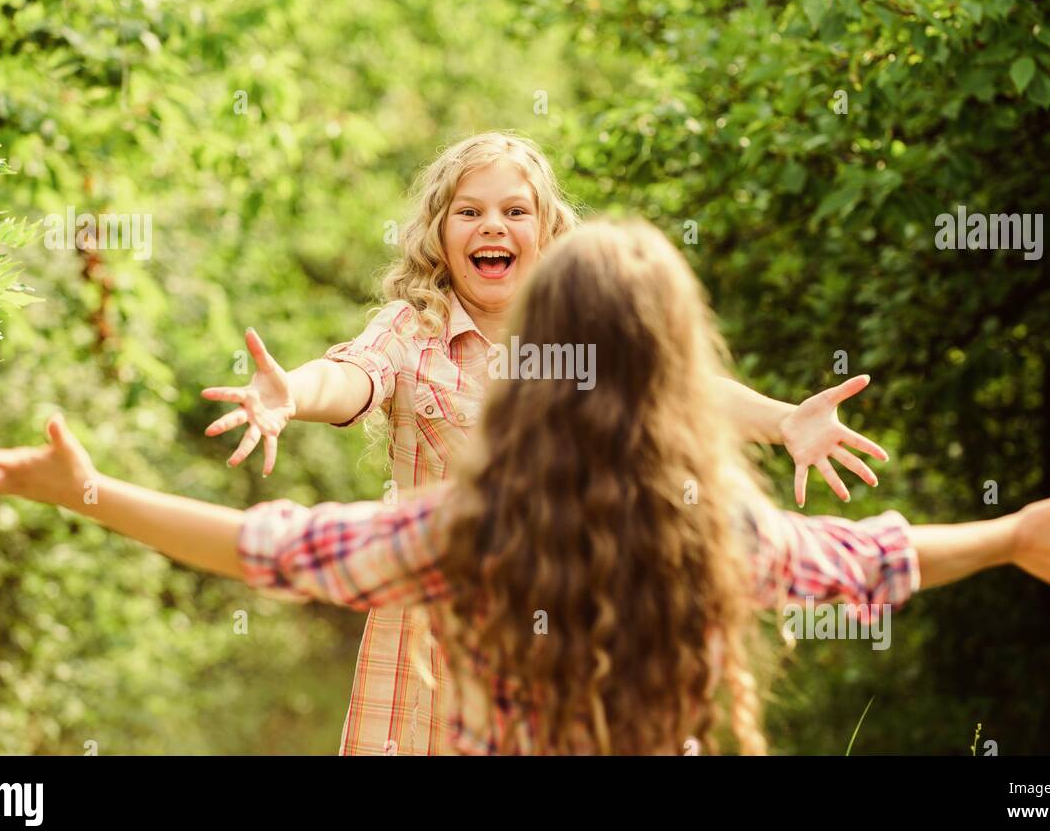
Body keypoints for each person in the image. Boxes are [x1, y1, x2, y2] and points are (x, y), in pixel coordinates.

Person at [0, 217, 1050, 754]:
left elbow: (271, 543)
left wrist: (88, 490)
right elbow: (868, 558)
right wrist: (1006, 536)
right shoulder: (707, 528)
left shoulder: (476, 529)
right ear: (674, 364)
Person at [198, 131, 889, 754]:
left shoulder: (582, 335)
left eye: (514, 211)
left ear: (546, 229)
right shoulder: (411, 331)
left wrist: (785, 420)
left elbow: (680, 387)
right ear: (439, 233)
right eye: (468, 211)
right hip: (432, 628)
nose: (491, 225)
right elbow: (351, 377)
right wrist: (294, 393)